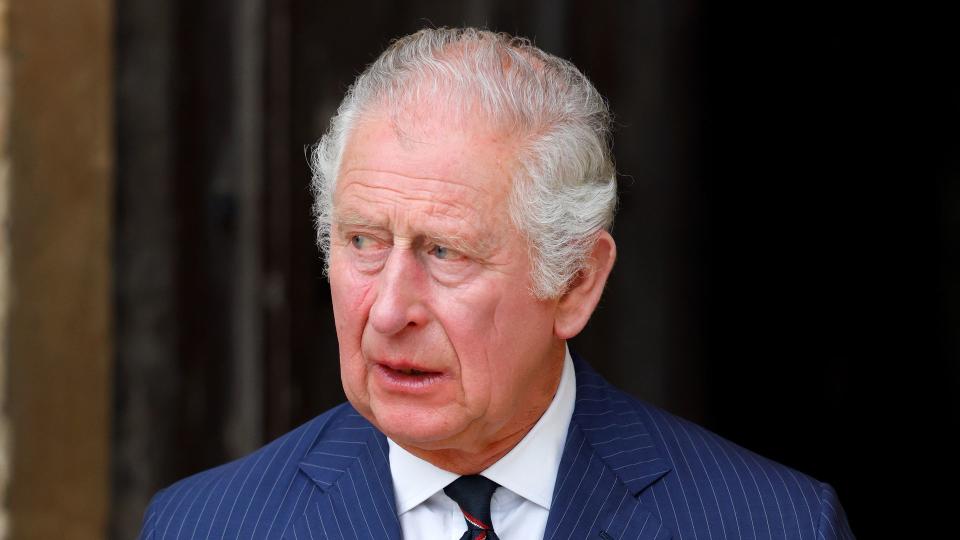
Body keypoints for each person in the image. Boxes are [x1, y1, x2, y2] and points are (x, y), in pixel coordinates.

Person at [139, 27, 854, 539]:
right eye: (362, 242)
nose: (388, 310)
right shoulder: (205, 524)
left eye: (445, 252)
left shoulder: (773, 524)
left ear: (576, 281)